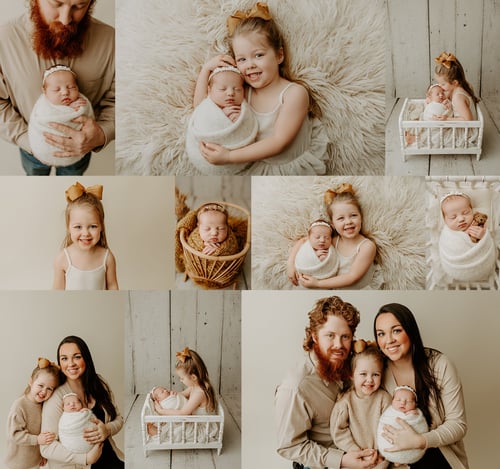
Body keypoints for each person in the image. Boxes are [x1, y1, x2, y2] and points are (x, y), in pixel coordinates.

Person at [195, 1, 328, 175]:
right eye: (241, 59)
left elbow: (280, 142)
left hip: (289, 168)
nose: (250, 65)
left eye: (258, 55)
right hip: (254, 168)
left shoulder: (293, 93)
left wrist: (229, 156)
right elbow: (202, 111)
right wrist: (206, 70)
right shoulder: (242, 92)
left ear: (279, 55)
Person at [0, 0, 114, 175]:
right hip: (30, 150)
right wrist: (28, 140)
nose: (65, 19)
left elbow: (122, 101)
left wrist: (101, 134)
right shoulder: (5, 39)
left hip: (80, 152)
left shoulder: (112, 42)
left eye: (79, 6)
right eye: (56, 3)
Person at [275, 295, 380, 469]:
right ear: (315, 336)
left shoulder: (352, 362)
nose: (339, 345)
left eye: (345, 336)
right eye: (330, 335)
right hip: (322, 462)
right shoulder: (296, 386)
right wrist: (342, 461)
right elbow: (288, 446)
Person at [374, 303, 469, 468]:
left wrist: (420, 441)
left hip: (441, 459)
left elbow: (458, 424)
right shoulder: (377, 372)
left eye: (396, 330)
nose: (388, 340)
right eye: (381, 334)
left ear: (410, 331)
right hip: (399, 462)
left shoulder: (439, 364)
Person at [40, 335, 124, 468]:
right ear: (60, 363)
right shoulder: (56, 397)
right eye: (64, 358)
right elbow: (46, 447)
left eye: (77, 357)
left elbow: (119, 419)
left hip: (111, 459)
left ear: (86, 358)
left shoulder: (99, 383)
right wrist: (85, 458)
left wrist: (107, 430)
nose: (71, 363)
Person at [288, 183, 377, 289]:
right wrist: (290, 264)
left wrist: (318, 284)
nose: (348, 222)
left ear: (361, 217)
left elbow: (353, 277)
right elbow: (303, 241)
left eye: (353, 215)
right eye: (341, 218)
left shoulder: (366, 246)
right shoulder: (332, 241)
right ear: (333, 224)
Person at [185, 65, 258, 175]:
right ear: (209, 91)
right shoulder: (205, 106)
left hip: (236, 156)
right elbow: (199, 112)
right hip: (206, 154)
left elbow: (248, 129)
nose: (230, 93)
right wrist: (222, 116)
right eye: (222, 89)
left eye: (237, 89)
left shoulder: (244, 110)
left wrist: (238, 121)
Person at [330, 340, 391, 469]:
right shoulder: (345, 402)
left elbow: (390, 427)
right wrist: (357, 452)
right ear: (352, 375)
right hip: (355, 459)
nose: (369, 380)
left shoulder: (384, 399)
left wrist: (381, 452)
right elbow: (339, 431)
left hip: (381, 458)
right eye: (363, 374)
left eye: (375, 374)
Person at [53, 181, 118, 290]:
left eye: (92, 226)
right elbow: (57, 292)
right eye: (78, 227)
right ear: (68, 227)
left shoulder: (107, 258)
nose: (85, 233)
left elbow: (112, 286)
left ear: (101, 226)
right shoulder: (62, 259)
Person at [28, 64, 95, 170]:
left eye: (71, 87)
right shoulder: (43, 106)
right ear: (44, 91)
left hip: (76, 149)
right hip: (39, 150)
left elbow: (89, 120)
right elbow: (44, 118)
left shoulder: (81, 102)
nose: (65, 92)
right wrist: (68, 109)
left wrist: (72, 108)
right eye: (56, 90)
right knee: (36, 180)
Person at [5, 358, 59, 469]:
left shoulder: (45, 406)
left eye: (49, 389)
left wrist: (42, 454)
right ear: (31, 382)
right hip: (16, 464)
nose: (44, 391)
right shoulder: (19, 406)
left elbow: (42, 432)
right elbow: (14, 435)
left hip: (35, 463)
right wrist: (37, 439)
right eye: (40, 385)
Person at [438, 192, 496, 282]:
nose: (461, 219)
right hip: (455, 267)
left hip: (481, 265)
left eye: (466, 213)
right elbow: (445, 246)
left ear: (472, 211)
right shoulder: (447, 233)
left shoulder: (478, 224)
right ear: (445, 220)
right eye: (453, 217)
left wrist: (483, 236)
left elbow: (487, 242)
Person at [377, 385, 429, 465]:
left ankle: (402, 458)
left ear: (415, 404)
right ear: (392, 401)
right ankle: (396, 458)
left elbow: (420, 425)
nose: (403, 403)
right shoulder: (390, 412)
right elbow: (384, 422)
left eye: (408, 401)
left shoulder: (415, 413)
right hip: (390, 441)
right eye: (398, 400)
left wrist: (413, 416)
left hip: (415, 443)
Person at [433, 52, 478, 121]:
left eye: (443, 84)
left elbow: (468, 119)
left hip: (464, 130)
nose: (440, 86)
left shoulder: (458, 97)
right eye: (438, 83)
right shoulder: (457, 89)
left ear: (454, 82)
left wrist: (447, 119)